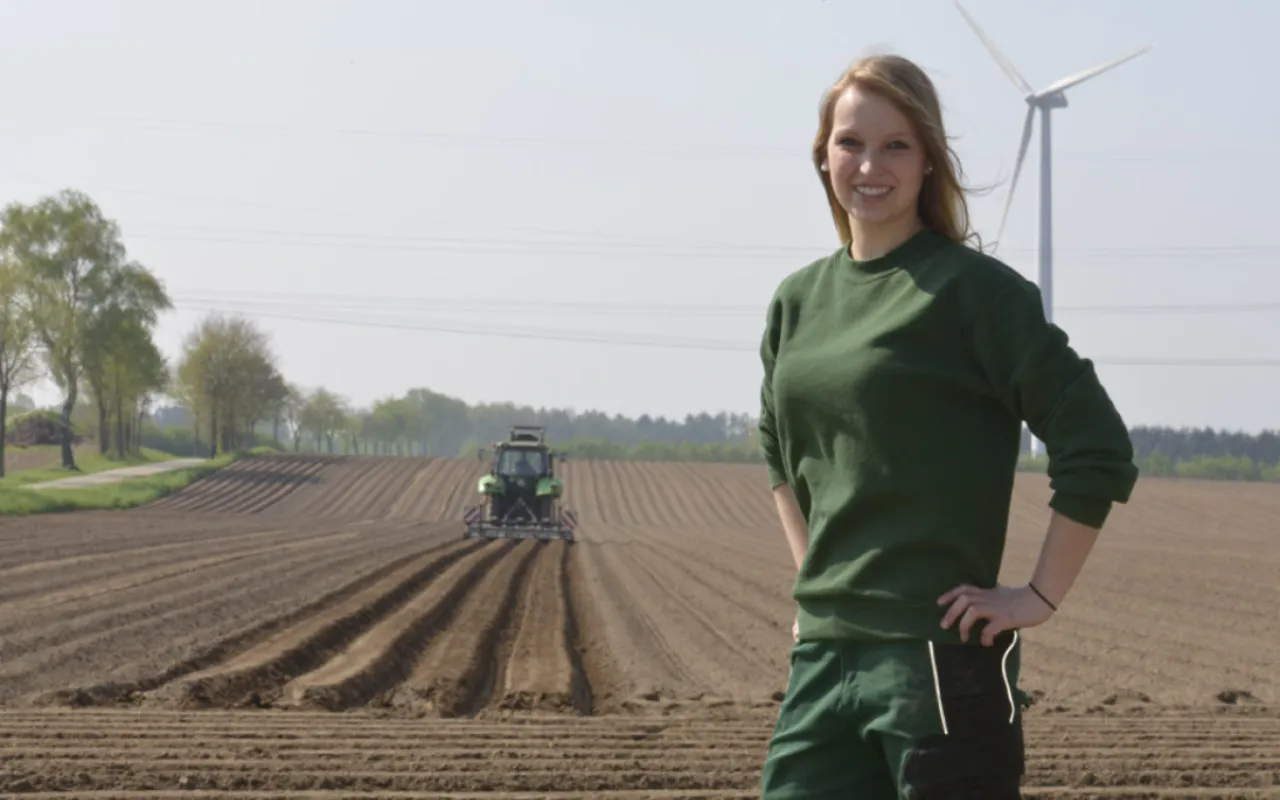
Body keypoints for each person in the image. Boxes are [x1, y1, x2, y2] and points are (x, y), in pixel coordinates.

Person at [756, 53, 1139, 799]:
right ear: (822, 156)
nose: (870, 164)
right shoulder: (796, 301)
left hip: (938, 663)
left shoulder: (976, 296)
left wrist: (1037, 596)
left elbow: (1096, 445)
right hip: (822, 664)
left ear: (929, 160)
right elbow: (775, 446)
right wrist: (814, 585)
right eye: (850, 142)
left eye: (896, 144)